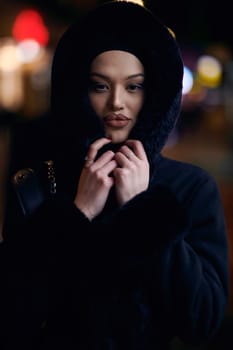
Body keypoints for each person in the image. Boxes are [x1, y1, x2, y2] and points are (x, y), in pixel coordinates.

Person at [0, 1, 229, 349]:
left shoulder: (191, 188)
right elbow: (10, 319)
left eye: (133, 86)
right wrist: (77, 214)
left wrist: (144, 211)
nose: (117, 103)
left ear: (153, 93)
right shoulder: (41, 182)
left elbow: (204, 321)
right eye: (100, 86)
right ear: (79, 91)